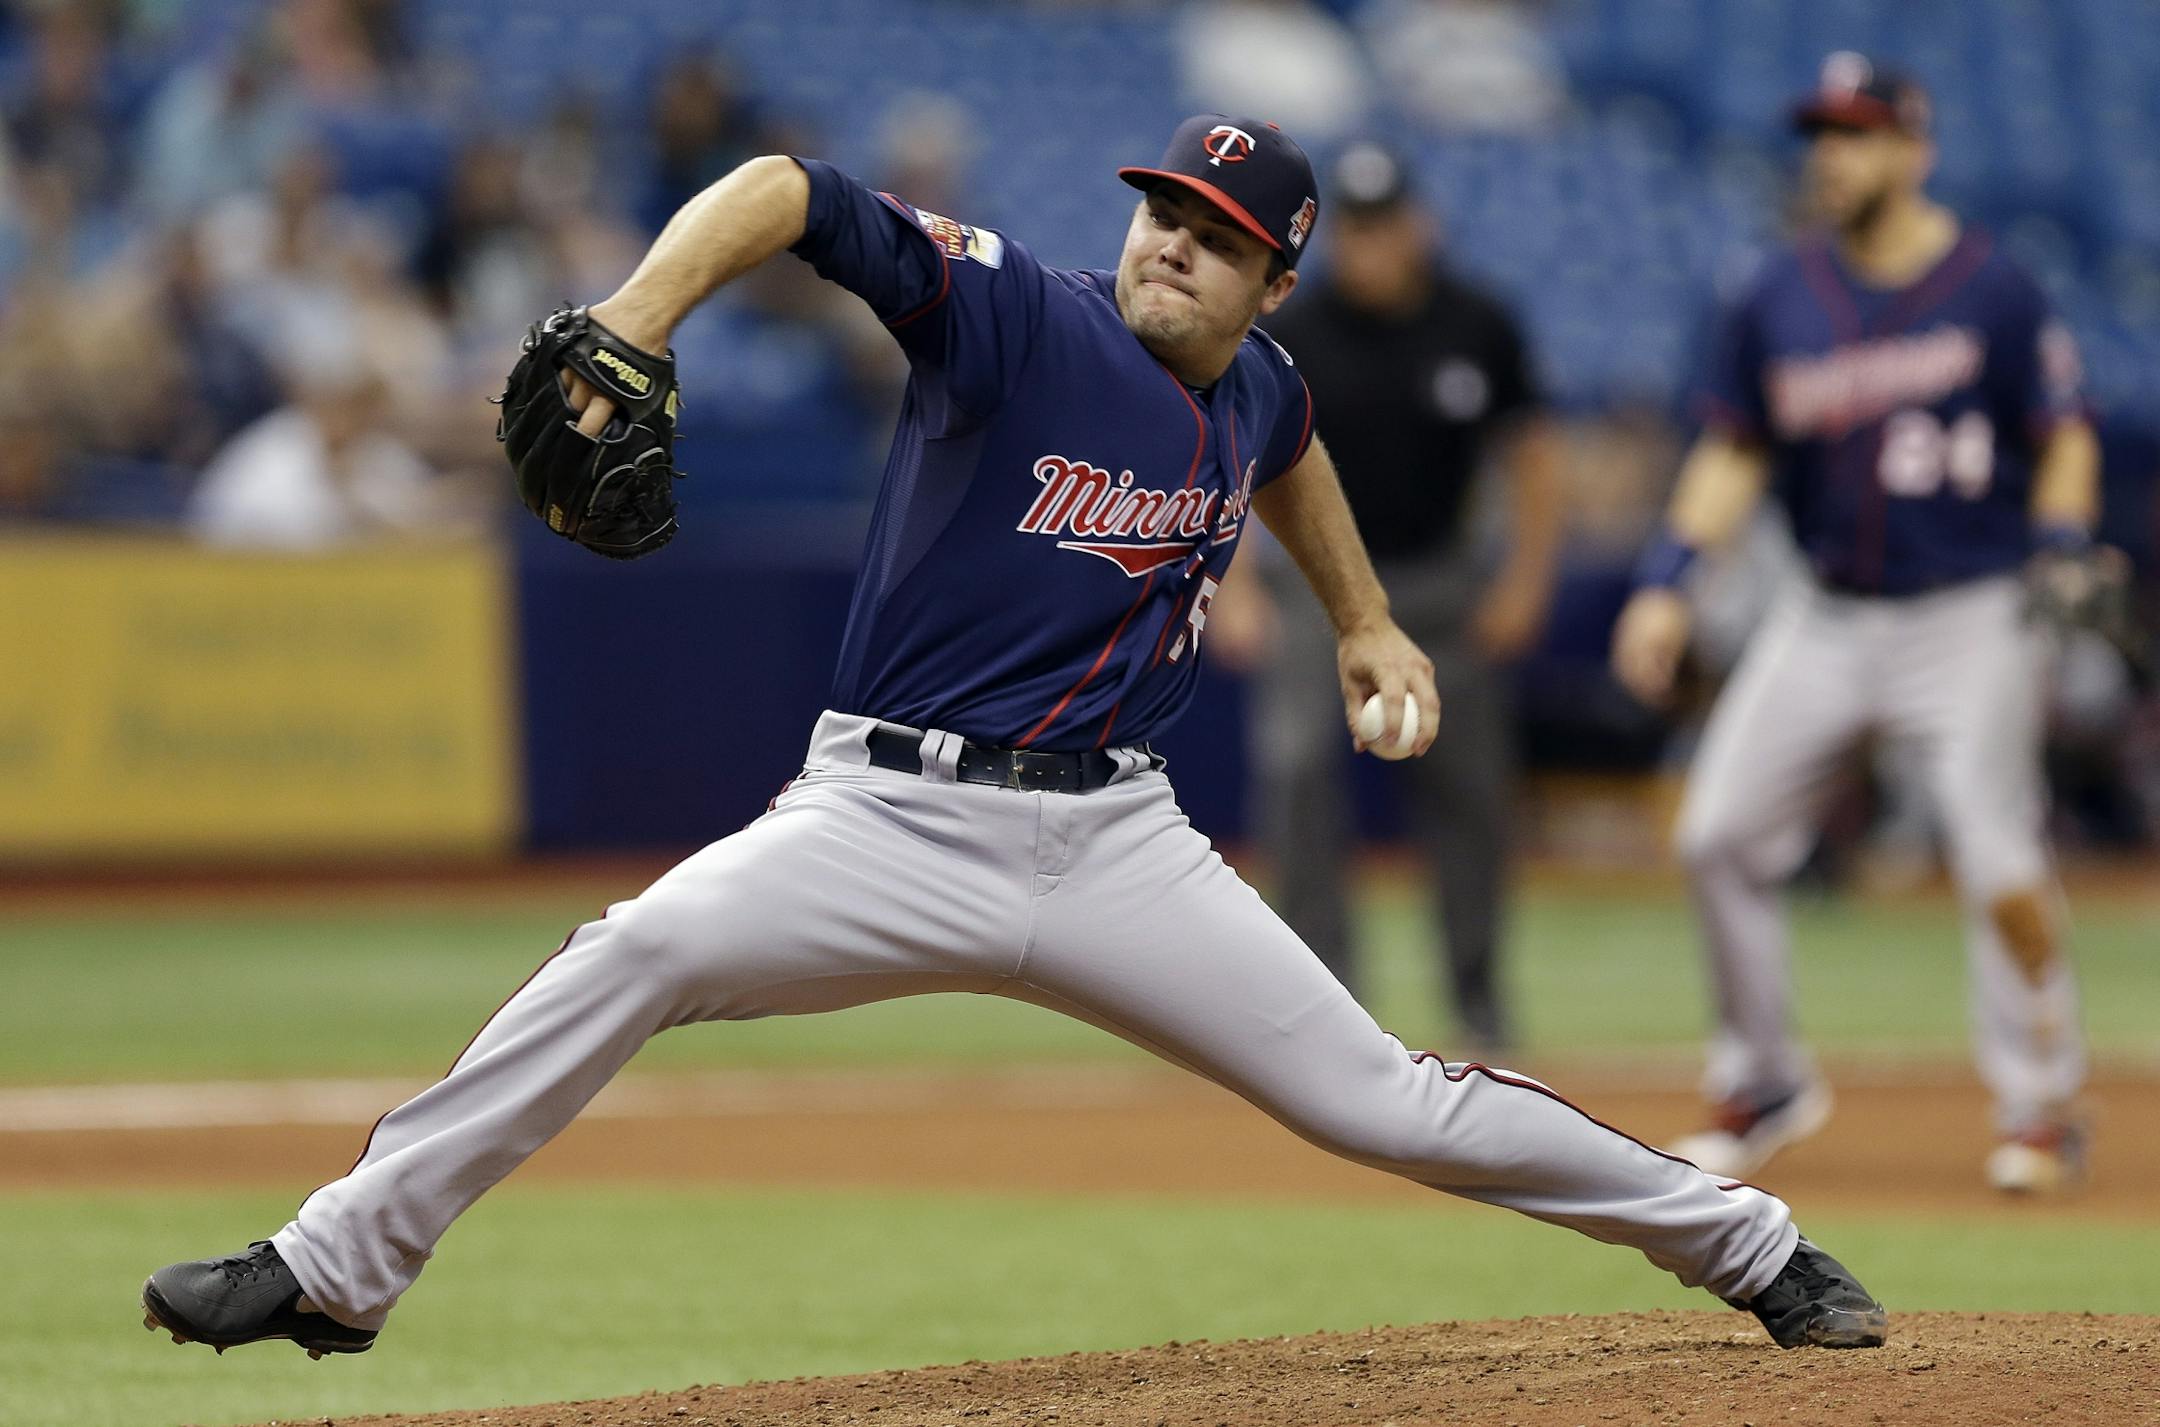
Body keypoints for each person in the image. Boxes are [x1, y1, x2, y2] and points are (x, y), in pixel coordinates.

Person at [141, 113, 1884, 1361]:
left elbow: (1292, 457)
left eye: (1210, 234)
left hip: (1119, 842)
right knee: (640, 947)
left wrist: (1362, 612)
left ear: (1273, 277)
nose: (1166, 241)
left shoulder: (1261, 384)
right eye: (1157, 210)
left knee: (1390, 1104)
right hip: (884, 817)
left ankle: (1759, 1249)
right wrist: (636, 316)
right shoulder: (1016, 312)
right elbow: (785, 190)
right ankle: (334, 1267)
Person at [1610, 56, 2102, 1192]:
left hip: (1974, 608)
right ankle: (1766, 1073)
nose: (1833, 153)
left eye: (1860, 132)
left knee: (1996, 854)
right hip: (1827, 613)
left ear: (1915, 149)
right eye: (1822, 132)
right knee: (1716, 832)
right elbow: (1731, 448)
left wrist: (2066, 538)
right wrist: (1667, 579)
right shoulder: (1772, 292)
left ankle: (2042, 1104)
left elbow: (2065, 430)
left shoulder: (1994, 285)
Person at [1212, 141, 1564, 1050]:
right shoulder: (1295, 329)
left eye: (1384, 226)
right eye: (1354, 229)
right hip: (1310, 590)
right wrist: (1237, 583)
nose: (1370, 246)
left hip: (1440, 585)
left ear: (1420, 226)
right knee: (1294, 777)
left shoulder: (1478, 321)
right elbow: (1236, 459)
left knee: (1472, 794)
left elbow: (1530, 460)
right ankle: (1325, 1004)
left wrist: (1524, 580)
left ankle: (1478, 995)